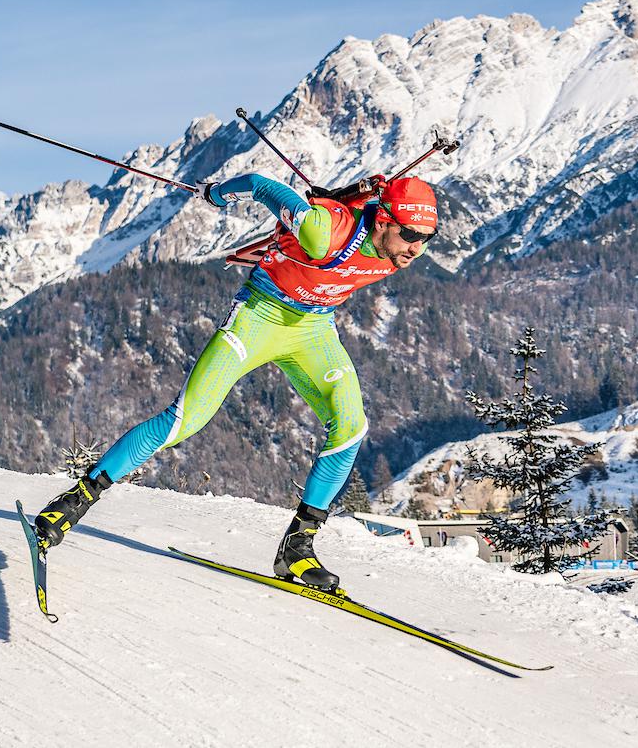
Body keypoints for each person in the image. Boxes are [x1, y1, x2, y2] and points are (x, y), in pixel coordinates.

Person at [31, 172, 438, 592]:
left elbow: (361, 215)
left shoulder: (393, 245)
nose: (417, 248)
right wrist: (216, 194)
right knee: (183, 420)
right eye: (410, 234)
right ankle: (74, 500)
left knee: (351, 427)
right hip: (257, 318)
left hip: (312, 330)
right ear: (385, 221)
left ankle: (297, 549)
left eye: (428, 238)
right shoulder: (326, 232)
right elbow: (263, 185)